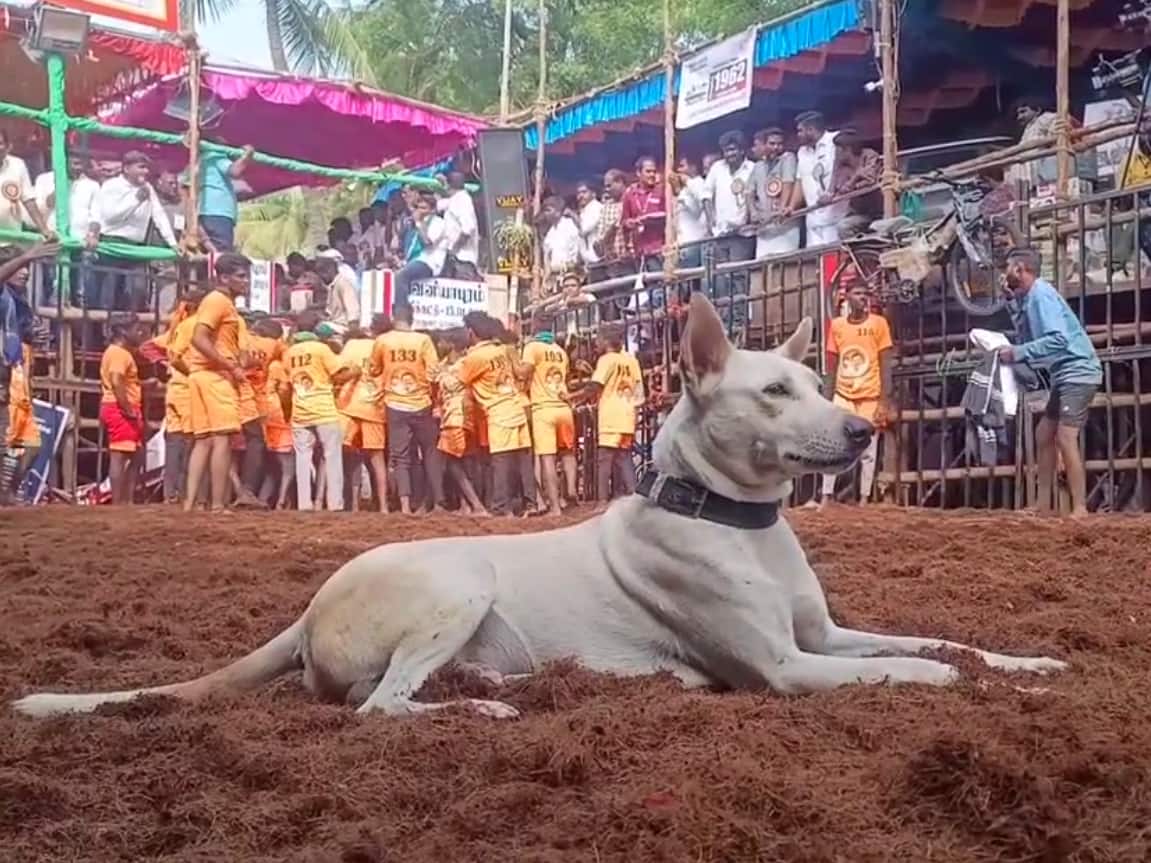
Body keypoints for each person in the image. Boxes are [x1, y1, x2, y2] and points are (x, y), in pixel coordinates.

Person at [998, 247, 1102, 517]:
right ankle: (1043, 505)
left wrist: (1018, 353)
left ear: (1021, 268)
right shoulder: (1031, 298)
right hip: (1065, 373)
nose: (1005, 272)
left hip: (1077, 372)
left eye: (1009, 267)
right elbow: (1027, 333)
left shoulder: (1041, 296)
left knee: (1066, 438)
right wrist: (1011, 302)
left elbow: (1058, 339)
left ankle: (1079, 508)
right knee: (1044, 434)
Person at [812, 283, 893, 508]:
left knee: (868, 450)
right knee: (833, 441)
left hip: (869, 393)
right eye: (858, 294)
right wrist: (827, 400)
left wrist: (884, 401)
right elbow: (832, 364)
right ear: (847, 297)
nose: (863, 298)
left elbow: (885, 363)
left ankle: (864, 498)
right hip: (843, 393)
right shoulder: (837, 326)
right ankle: (827, 495)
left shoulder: (879, 324)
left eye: (866, 294)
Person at [183, 253, 251, 512]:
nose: (246, 281)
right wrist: (231, 366)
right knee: (222, 439)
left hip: (202, 375)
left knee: (204, 440)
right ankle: (218, 504)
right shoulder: (218, 301)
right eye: (241, 276)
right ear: (224, 277)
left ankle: (190, 504)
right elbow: (199, 339)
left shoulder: (219, 302)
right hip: (215, 377)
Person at [370, 302, 443, 514]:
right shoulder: (423, 340)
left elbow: (373, 369)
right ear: (413, 318)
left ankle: (404, 506)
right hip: (422, 403)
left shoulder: (382, 341)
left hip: (394, 403)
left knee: (400, 456)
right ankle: (438, 502)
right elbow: (434, 374)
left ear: (394, 317)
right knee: (430, 453)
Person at [460, 311, 535, 516]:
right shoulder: (501, 350)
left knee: (500, 461)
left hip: (499, 412)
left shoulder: (474, 357)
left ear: (470, 332)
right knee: (522, 459)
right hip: (516, 405)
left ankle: (502, 508)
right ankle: (532, 504)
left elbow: (457, 382)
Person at [0, 242, 57, 505]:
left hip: (10, 375)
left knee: (23, 443)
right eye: (21, 267)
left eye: (28, 268)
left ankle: (6, 493)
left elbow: (22, 332)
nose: (25, 272)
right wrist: (27, 255)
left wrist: (34, 335)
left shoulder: (16, 300)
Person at [281, 309, 354, 512]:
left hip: (300, 410)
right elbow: (339, 376)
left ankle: (304, 503)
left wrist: (287, 412)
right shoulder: (321, 349)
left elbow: (286, 387)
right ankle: (334, 504)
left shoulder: (289, 353)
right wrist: (355, 372)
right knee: (332, 457)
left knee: (302, 459)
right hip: (323, 409)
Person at [89, 151, 179, 311]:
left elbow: (159, 216)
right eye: (141, 167)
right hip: (112, 244)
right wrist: (136, 200)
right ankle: (104, 334)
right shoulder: (112, 186)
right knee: (109, 294)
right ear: (126, 168)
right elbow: (110, 217)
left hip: (136, 247)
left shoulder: (147, 188)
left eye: (146, 168)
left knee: (137, 291)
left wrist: (173, 243)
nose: (145, 172)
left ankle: (130, 331)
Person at [521, 312, 577, 516]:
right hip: (564, 408)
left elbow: (523, 372)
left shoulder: (532, 347)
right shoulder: (560, 351)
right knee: (568, 453)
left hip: (543, 409)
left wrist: (512, 364)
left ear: (535, 325)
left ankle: (554, 507)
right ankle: (570, 491)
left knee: (547, 459)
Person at [153, 288, 205, 504]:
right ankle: (182, 493)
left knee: (174, 441)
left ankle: (170, 493)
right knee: (189, 441)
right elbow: (175, 357)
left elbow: (153, 346)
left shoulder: (177, 326)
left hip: (174, 388)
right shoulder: (193, 325)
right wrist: (192, 372)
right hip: (186, 389)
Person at [580, 323, 643, 501]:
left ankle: (601, 502)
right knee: (624, 458)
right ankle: (635, 496)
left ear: (606, 341)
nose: (596, 343)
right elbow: (639, 391)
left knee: (604, 460)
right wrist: (636, 413)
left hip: (610, 416)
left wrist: (574, 396)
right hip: (627, 415)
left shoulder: (606, 359)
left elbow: (595, 385)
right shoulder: (631, 360)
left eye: (598, 339)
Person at [338, 317, 389, 512]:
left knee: (349, 457)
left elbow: (338, 372)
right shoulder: (386, 345)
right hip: (375, 407)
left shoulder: (352, 346)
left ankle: (353, 504)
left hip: (349, 406)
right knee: (377, 458)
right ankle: (384, 506)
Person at [434, 327, 487, 515]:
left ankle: (477, 505)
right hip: (456, 416)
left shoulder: (463, 365)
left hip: (457, 417)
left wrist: (441, 374)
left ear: (451, 345)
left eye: (441, 341)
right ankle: (466, 506)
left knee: (453, 463)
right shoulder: (447, 364)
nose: (438, 345)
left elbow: (452, 384)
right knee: (462, 462)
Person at [99, 314, 146, 505]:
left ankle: (126, 500)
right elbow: (117, 380)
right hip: (120, 407)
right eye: (136, 329)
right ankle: (119, 503)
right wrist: (126, 408)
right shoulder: (119, 354)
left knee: (135, 454)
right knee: (119, 456)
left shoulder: (117, 353)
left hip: (122, 405)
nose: (140, 333)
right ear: (123, 332)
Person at [185, 145, 254, 252]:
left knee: (210, 256)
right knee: (222, 256)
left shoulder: (201, 161)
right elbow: (234, 171)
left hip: (206, 213)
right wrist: (247, 156)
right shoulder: (216, 156)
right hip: (219, 214)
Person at [793, 111, 847, 247]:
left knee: (837, 261)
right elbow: (800, 181)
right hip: (813, 221)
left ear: (810, 129)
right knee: (818, 264)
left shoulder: (836, 141)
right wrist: (790, 207)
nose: (797, 135)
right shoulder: (801, 152)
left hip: (836, 217)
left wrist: (831, 191)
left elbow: (843, 168)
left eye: (800, 131)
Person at [257, 318, 294, 509]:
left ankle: (265, 498)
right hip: (278, 413)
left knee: (270, 463)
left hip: (260, 410)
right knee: (286, 463)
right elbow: (284, 391)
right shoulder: (277, 366)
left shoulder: (257, 361)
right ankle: (281, 499)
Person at [748, 128, 800, 258]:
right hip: (764, 228)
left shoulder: (788, 158)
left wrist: (782, 209)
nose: (776, 147)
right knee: (763, 269)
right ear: (764, 145)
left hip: (785, 226)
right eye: (772, 144)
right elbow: (749, 192)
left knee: (785, 267)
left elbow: (788, 183)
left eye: (779, 144)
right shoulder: (758, 166)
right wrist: (753, 211)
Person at [393, 193, 448, 308]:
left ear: (432, 210)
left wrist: (419, 223)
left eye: (424, 208)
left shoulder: (438, 223)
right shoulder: (413, 226)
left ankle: (401, 315)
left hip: (430, 263)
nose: (420, 211)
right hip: (415, 260)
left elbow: (427, 242)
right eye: (418, 208)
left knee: (401, 276)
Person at [33, 154, 100, 242]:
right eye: (75, 163)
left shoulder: (93, 185)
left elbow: (96, 217)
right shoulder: (44, 179)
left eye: (80, 163)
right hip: (51, 238)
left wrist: (92, 235)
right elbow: (44, 207)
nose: (78, 167)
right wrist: (62, 181)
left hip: (80, 241)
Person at [0, 130, 53, 239]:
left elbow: (28, 200)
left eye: (0, 143)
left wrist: (44, 230)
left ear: (8, 147)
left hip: (12, 239)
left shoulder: (17, 164)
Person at [830, 130, 883, 238]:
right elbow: (841, 189)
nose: (835, 153)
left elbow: (871, 180)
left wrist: (853, 186)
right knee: (843, 226)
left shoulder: (869, 155)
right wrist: (857, 176)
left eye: (837, 149)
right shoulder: (841, 166)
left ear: (847, 149)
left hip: (881, 209)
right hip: (859, 213)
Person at [621, 156, 668, 271]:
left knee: (658, 285)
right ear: (638, 173)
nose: (652, 174)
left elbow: (671, 216)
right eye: (648, 171)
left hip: (659, 249)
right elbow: (624, 221)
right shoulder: (630, 194)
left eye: (654, 171)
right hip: (639, 251)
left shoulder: (662, 191)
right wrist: (631, 223)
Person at [591, 169, 631, 281]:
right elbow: (600, 244)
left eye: (609, 186)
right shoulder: (607, 208)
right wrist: (612, 229)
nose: (606, 190)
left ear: (620, 182)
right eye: (605, 186)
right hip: (614, 264)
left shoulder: (634, 199)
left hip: (633, 261)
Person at [670, 155, 708, 268]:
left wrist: (687, 182)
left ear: (693, 167)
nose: (679, 171)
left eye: (682, 166)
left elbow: (697, 209)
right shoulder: (686, 188)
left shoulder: (697, 182)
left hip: (693, 241)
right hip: (685, 243)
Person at [442, 171, 480, 279]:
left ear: (448, 185)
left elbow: (468, 229)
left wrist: (454, 249)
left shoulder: (461, 200)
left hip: (462, 260)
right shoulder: (456, 199)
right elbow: (438, 204)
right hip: (456, 260)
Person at [541, 196, 581, 291]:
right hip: (555, 276)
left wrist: (572, 266)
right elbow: (547, 258)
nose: (546, 214)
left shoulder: (570, 225)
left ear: (558, 211)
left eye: (548, 210)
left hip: (571, 274)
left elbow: (577, 248)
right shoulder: (549, 234)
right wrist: (545, 279)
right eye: (545, 211)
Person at [315, 254, 360, 333]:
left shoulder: (343, 283)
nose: (321, 276)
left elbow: (353, 311)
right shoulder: (331, 285)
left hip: (344, 327)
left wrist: (353, 335)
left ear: (331, 269)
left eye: (322, 271)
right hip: (333, 323)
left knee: (321, 329)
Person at [575, 180, 603, 266]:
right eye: (578, 193)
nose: (580, 196)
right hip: (587, 261)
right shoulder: (584, 211)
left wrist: (572, 216)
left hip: (597, 259)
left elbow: (583, 230)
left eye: (584, 192)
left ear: (593, 194)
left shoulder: (596, 207)